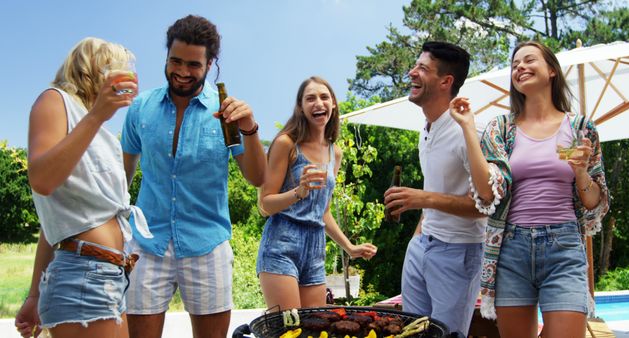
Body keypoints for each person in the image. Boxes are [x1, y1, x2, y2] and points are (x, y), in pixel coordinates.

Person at [449, 41, 610, 338]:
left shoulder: (579, 129)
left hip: (564, 247)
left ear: (551, 71)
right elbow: (487, 192)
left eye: (529, 60)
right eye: (514, 64)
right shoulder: (502, 129)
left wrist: (581, 171)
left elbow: (593, 202)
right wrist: (469, 128)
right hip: (511, 248)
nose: (519, 67)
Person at [120, 15, 266, 338]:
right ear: (166, 55)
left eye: (193, 65)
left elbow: (257, 177)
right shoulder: (140, 108)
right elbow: (121, 180)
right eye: (175, 61)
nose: (183, 72)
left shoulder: (227, 112)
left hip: (207, 244)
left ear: (210, 63)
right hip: (146, 243)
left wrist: (250, 129)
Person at [14, 37, 150, 338]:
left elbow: (56, 222)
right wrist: (98, 114)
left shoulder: (95, 128)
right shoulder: (54, 100)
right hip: (84, 276)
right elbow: (42, 180)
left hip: (107, 274)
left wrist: (35, 295)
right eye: (115, 68)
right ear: (93, 69)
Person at [383, 41, 486, 336]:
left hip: (459, 252)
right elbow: (434, 190)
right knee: (412, 333)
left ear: (446, 81)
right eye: (415, 66)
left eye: (422, 68)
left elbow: (483, 205)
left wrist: (422, 198)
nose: (412, 73)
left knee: (447, 334)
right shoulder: (425, 130)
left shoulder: (469, 134)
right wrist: (416, 240)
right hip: (421, 247)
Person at [256, 76, 377, 310]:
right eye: (310, 98)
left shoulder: (335, 153)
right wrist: (298, 192)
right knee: (288, 330)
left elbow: (324, 212)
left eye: (324, 97)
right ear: (300, 107)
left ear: (333, 104)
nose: (318, 103)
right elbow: (265, 204)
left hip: (315, 250)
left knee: (314, 329)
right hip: (281, 245)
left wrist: (349, 247)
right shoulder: (286, 144)